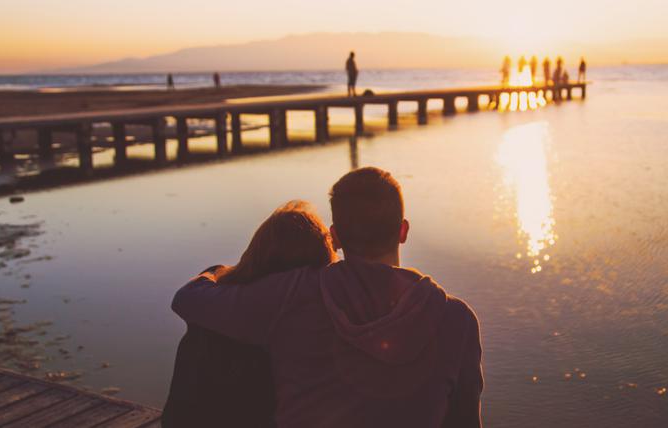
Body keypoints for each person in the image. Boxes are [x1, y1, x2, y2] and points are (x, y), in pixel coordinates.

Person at [172, 167, 484, 428]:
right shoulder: (457, 319)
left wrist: (217, 272)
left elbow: (188, 300)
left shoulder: (295, 291)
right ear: (402, 231)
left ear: (334, 237)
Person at [163, 201, 336, 428]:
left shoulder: (247, 301)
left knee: (203, 333)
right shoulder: (328, 293)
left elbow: (186, 297)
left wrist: (217, 271)